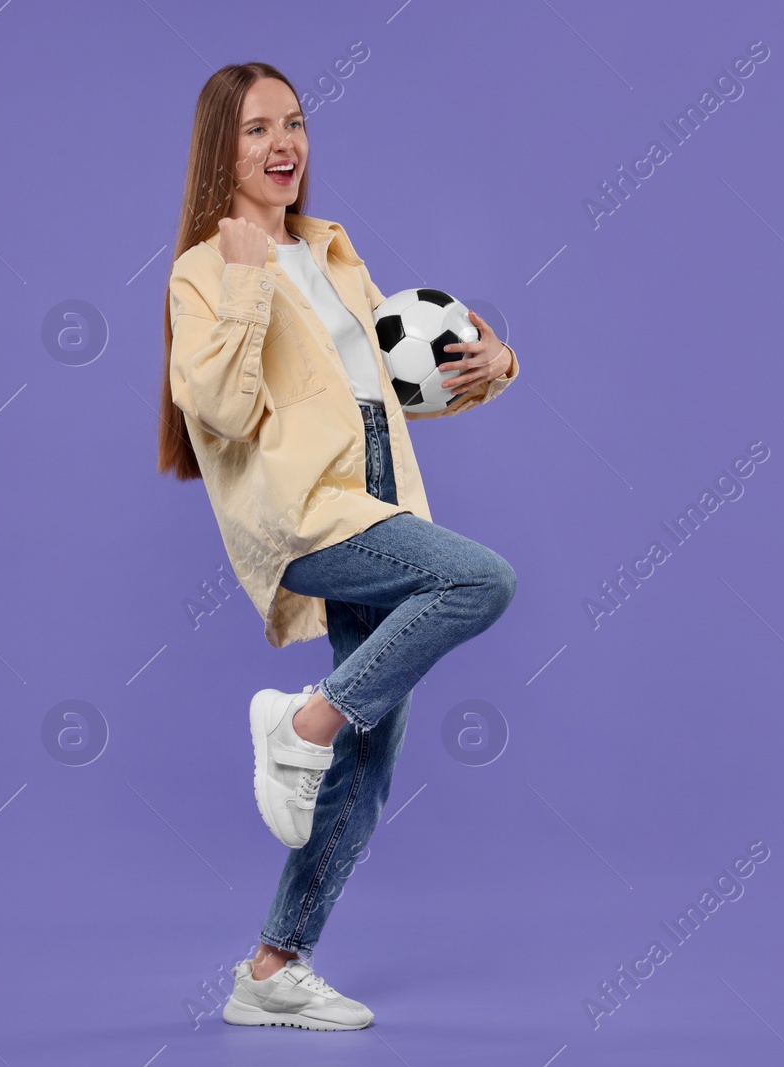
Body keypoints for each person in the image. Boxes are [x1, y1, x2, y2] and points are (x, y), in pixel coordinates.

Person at [156, 62, 520, 1031]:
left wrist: (494, 364)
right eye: (256, 131)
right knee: (481, 580)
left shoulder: (333, 254)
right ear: (218, 150)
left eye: (297, 124)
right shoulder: (202, 270)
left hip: (376, 492)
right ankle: (302, 722)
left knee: (373, 751)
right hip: (301, 512)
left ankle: (273, 966)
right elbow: (225, 412)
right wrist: (240, 277)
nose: (284, 145)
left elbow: (380, 392)